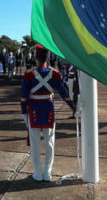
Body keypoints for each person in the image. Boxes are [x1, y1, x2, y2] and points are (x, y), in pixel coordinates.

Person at [20, 44, 75, 182]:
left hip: (33, 111)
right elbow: (64, 93)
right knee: (49, 142)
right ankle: (48, 173)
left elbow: (23, 96)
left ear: (35, 57)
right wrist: (72, 106)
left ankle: (38, 173)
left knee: (35, 143)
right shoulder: (55, 73)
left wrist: (23, 112)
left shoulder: (29, 73)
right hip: (49, 110)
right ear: (48, 57)